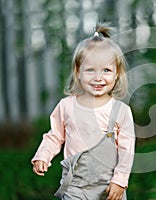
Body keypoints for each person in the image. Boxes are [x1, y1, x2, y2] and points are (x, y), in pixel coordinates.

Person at [31, 22, 135, 200]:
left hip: (109, 186)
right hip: (75, 186)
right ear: (78, 72)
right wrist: (43, 155)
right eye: (90, 70)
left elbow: (127, 150)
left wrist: (120, 181)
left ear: (117, 73)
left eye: (107, 70)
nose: (98, 78)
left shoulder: (121, 110)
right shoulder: (67, 106)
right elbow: (55, 136)